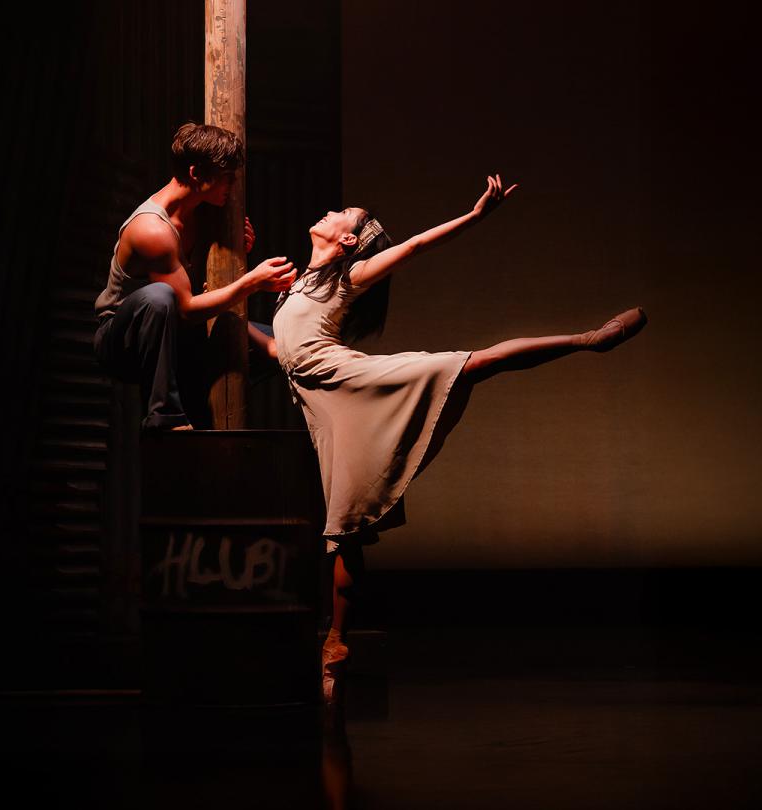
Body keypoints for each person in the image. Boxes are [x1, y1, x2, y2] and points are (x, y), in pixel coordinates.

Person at [271, 174, 647, 701]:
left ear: (349, 239)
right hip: (325, 403)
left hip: (349, 379)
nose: (330, 213)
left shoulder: (348, 277)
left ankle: (587, 340)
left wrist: (473, 217)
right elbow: (280, 349)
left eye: (342, 214)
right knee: (346, 526)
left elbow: (414, 246)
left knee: (469, 365)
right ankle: (337, 645)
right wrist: (227, 306)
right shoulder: (295, 285)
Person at [95, 123, 296, 430]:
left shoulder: (203, 212)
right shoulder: (152, 230)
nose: (232, 185)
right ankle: (163, 415)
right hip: (123, 343)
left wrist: (235, 244)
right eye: (226, 177)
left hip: (177, 335)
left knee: (278, 341)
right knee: (159, 297)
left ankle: (202, 391)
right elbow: (186, 309)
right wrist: (252, 282)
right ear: (196, 174)